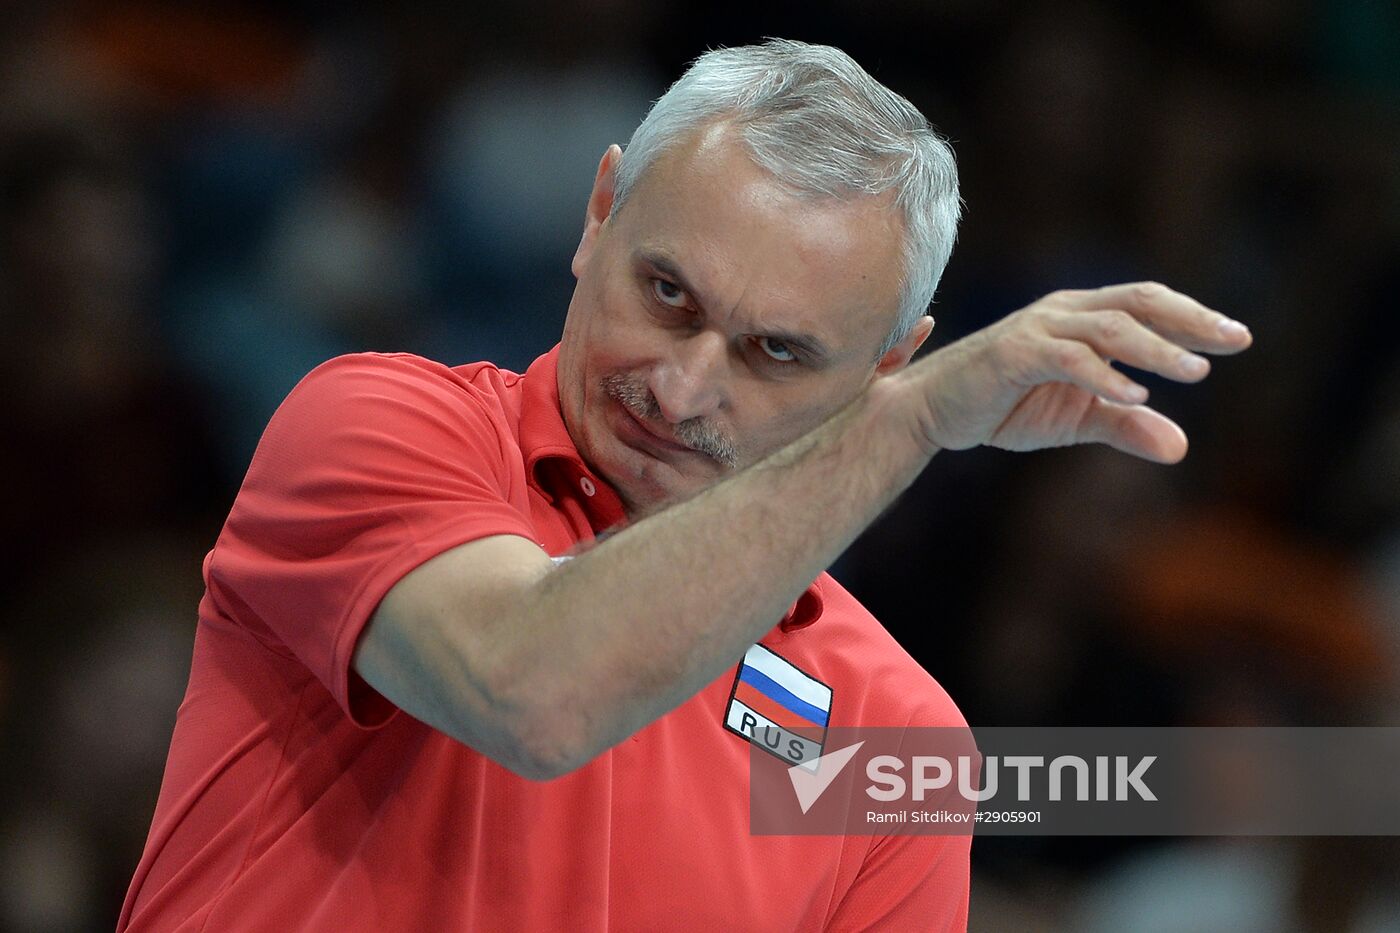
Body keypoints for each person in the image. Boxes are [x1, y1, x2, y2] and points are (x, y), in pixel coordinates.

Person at [118, 39, 1251, 932]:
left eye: (772, 352)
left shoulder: (895, 740)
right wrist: (903, 432)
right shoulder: (373, 423)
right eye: (667, 293)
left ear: (885, 362)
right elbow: (533, 689)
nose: (681, 385)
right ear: (596, 214)